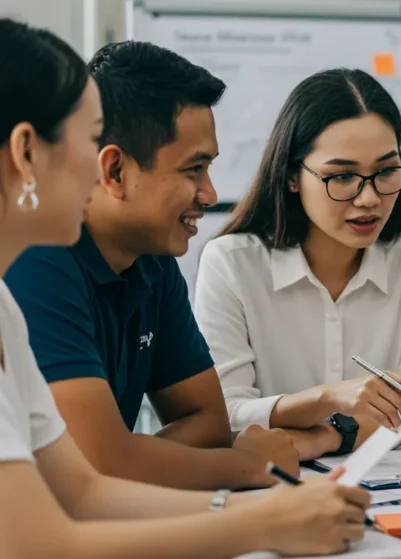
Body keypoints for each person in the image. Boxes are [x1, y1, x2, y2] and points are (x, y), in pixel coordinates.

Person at [0, 19, 368, 558]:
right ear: (28, 152)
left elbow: (82, 491)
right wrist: (260, 521)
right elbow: (39, 541)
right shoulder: (32, 275)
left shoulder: (4, 308)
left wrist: (267, 507)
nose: (96, 167)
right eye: (87, 140)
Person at [3, 40, 300, 490]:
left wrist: (130, 459)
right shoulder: (38, 256)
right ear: (116, 170)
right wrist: (246, 468)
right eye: (193, 169)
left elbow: (207, 424)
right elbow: (97, 466)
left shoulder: (152, 260)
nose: (210, 194)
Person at [193, 68, 401, 459]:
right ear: (291, 177)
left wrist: (327, 437)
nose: (368, 198)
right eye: (343, 176)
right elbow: (224, 418)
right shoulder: (233, 263)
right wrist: (326, 399)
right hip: (270, 490)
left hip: (393, 489)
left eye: (385, 171)